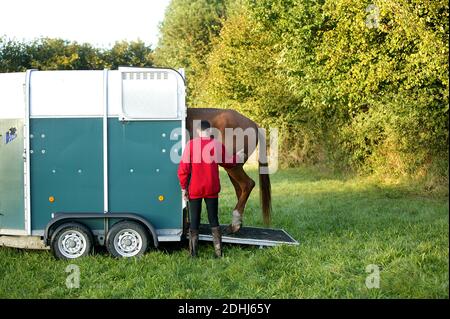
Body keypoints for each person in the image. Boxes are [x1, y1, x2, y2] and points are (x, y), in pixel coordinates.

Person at [177, 120, 243, 258]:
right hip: (212, 188)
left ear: (197, 131)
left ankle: (193, 254)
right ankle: (218, 253)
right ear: (210, 131)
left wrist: (184, 188)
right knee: (214, 219)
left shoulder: (191, 145)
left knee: (194, 220)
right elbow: (227, 163)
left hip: (194, 188)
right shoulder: (217, 145)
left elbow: (183, 170)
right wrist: (238, 156)